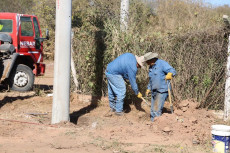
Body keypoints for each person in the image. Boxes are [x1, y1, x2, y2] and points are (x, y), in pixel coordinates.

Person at [144, 52, 176, 121]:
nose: (146, 63)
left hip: (162, 90)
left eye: (147, 61)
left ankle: (156, 125)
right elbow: (151, 79)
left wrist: (170, 74)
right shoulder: (151, 67)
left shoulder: (162, 63)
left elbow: (172, 70)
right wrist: (149, 88)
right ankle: (152, 123)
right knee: (152, 110)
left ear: (151, 59)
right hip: (154, 90)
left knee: (156, 110)